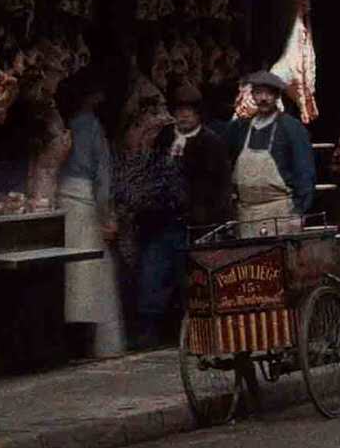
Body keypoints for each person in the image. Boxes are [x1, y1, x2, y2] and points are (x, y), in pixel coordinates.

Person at [135, 79, 232, 348]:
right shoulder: (165, 137)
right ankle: (151, 330)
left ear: (199, 113)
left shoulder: (211, 142)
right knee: (154, 273)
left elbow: (221, 184)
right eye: (179, 110)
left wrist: (215, 219)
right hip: (161, 218)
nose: (184, 115)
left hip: (195, 220)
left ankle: (195, 331)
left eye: (189, 111)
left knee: (191, 278)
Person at [57, 65, 125, 359]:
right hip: (84, 204)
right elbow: (102, 177)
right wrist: (107, 215)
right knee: (91, 275)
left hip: (65, 201)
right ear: (94, 96)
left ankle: (76, 342)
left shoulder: (68, 123)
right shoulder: (92, 126)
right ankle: (95, 344)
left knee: (74, 277)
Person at [225, 70, 316, 234]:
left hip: (280, 213)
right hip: (245, 214)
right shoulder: (240, 128)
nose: (264, 98)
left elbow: (305, 171)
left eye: (269, 93)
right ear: (252, 95)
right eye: (259, 93)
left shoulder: (291, 128)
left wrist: (299, 212)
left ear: (277, 96)